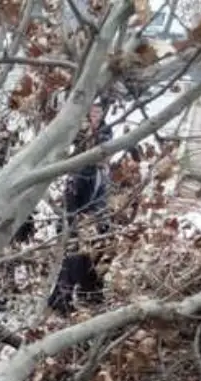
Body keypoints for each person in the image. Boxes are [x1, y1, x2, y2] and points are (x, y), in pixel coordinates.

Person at [47, 102, 114, 314]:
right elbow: (72, 203)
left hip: (93, 223)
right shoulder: (83, 172)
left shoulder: (103, 171)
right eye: (92, 111)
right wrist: (75, 225)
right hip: (79, 223)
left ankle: (90, 293)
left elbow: (101, 200)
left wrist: (102, 223)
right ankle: (62, 299)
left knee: (93, 255)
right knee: (75, 258)